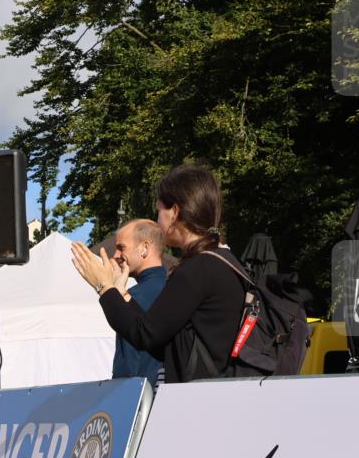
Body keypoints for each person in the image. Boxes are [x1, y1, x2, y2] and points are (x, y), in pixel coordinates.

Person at [71, 164, 244, 383]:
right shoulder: (224, 262)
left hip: (197, 402)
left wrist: (104, 287)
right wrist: (121, 293)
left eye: (159, 210)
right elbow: (159, 337)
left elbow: (144, 335)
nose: (157, 220)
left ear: (175, 212)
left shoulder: (197, 268)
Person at [108, 219, 168, 388]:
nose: (116, 255)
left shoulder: (134, 297)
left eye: (121, 247)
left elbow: (128, 366)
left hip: (139, 398)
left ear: (144, 248)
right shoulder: (175, 289)